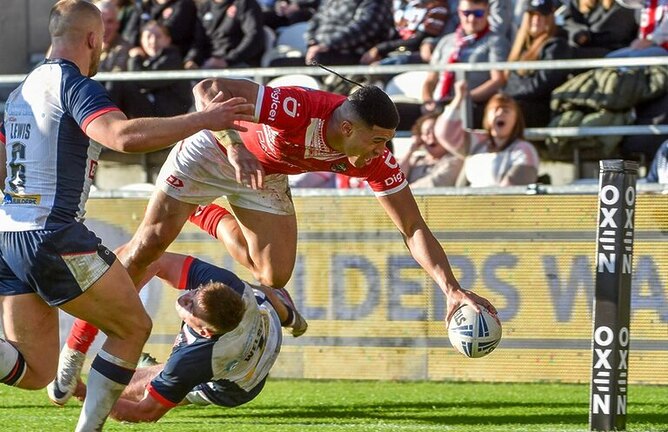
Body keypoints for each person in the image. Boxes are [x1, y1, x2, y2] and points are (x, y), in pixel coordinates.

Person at [0, 1, 254, 430]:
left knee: (36, 371)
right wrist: (204, 119)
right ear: (94, 39)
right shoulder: (73, 84)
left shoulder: (19, 90)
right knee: (133, 327)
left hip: (9, 235)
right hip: (51, 234)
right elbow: (121, 136)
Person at [69, 251, 290, 422]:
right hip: (269, 330)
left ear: (205, 332)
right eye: (196, 293)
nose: (185, 298)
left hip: (239, 387)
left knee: (144, 384)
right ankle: (290, 316)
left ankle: (160, 374)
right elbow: (156, 259)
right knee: (261, 293)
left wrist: (83, 393)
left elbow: (145, 412)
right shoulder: (227, 285)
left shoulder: (196, 359)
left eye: (191, 307)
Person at [421, 0, 510, 128]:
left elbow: (498, 80)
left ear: (487, 13)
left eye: (478, 13)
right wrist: (427, 100)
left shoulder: (496, 41)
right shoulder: (446, 41)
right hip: (440, 104)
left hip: (472, 106)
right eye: (466, 13)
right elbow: (431, 79)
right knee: (398, 114)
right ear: (459, 13)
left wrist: (463, 98)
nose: (472, 19)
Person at [434, 81, 540, 187]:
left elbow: (512, 192)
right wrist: (458, 98)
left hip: (498, 203)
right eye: (495, 110)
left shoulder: (524, 150)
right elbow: (445, 133)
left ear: (516, 120)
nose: (500, 114)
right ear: (487, 118)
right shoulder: (478, 143)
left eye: (506, 111)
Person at [504, 0, 573, 128]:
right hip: (520, 105)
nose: (536, 19)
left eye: (542, 15)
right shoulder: (521, 47)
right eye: (532, 14)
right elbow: (508, 78)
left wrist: (510, 94)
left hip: (542, 111)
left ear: (550, 18)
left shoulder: (557, 46)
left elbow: (541, 84)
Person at [111, 20, 193, 118]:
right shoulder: (147, 59)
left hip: (168, 116)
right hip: (153, 109)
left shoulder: (172, 57)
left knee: (120, 83)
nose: (153, 41)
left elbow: (144, 81)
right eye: (148, 37)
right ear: (141, 40)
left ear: (168, 39)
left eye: (158, 36)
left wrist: (135, 58)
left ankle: (110, 122)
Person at [184, 0, 266, 70]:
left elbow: (255, 37)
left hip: (240, 65)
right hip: (208, 64)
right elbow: (199, 41)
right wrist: (191, 59)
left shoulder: (244, 3)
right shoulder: (204, 7)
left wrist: (227, 60)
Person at [398, 112, 464, 187]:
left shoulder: (455, 160)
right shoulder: (415, 160)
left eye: (436, 132)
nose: (432, 137)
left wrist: (401, 192)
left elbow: (435, 183)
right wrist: (410, 151)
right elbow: (394, 179)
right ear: (420, 137)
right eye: (427, 133)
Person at [560, 0, 638, 58]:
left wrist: (588, 37)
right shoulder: (576, 4)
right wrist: (577, 34)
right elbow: (569, 23)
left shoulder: (625, 4)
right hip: (582, 49)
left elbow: (618, 33)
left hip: (613, 52)